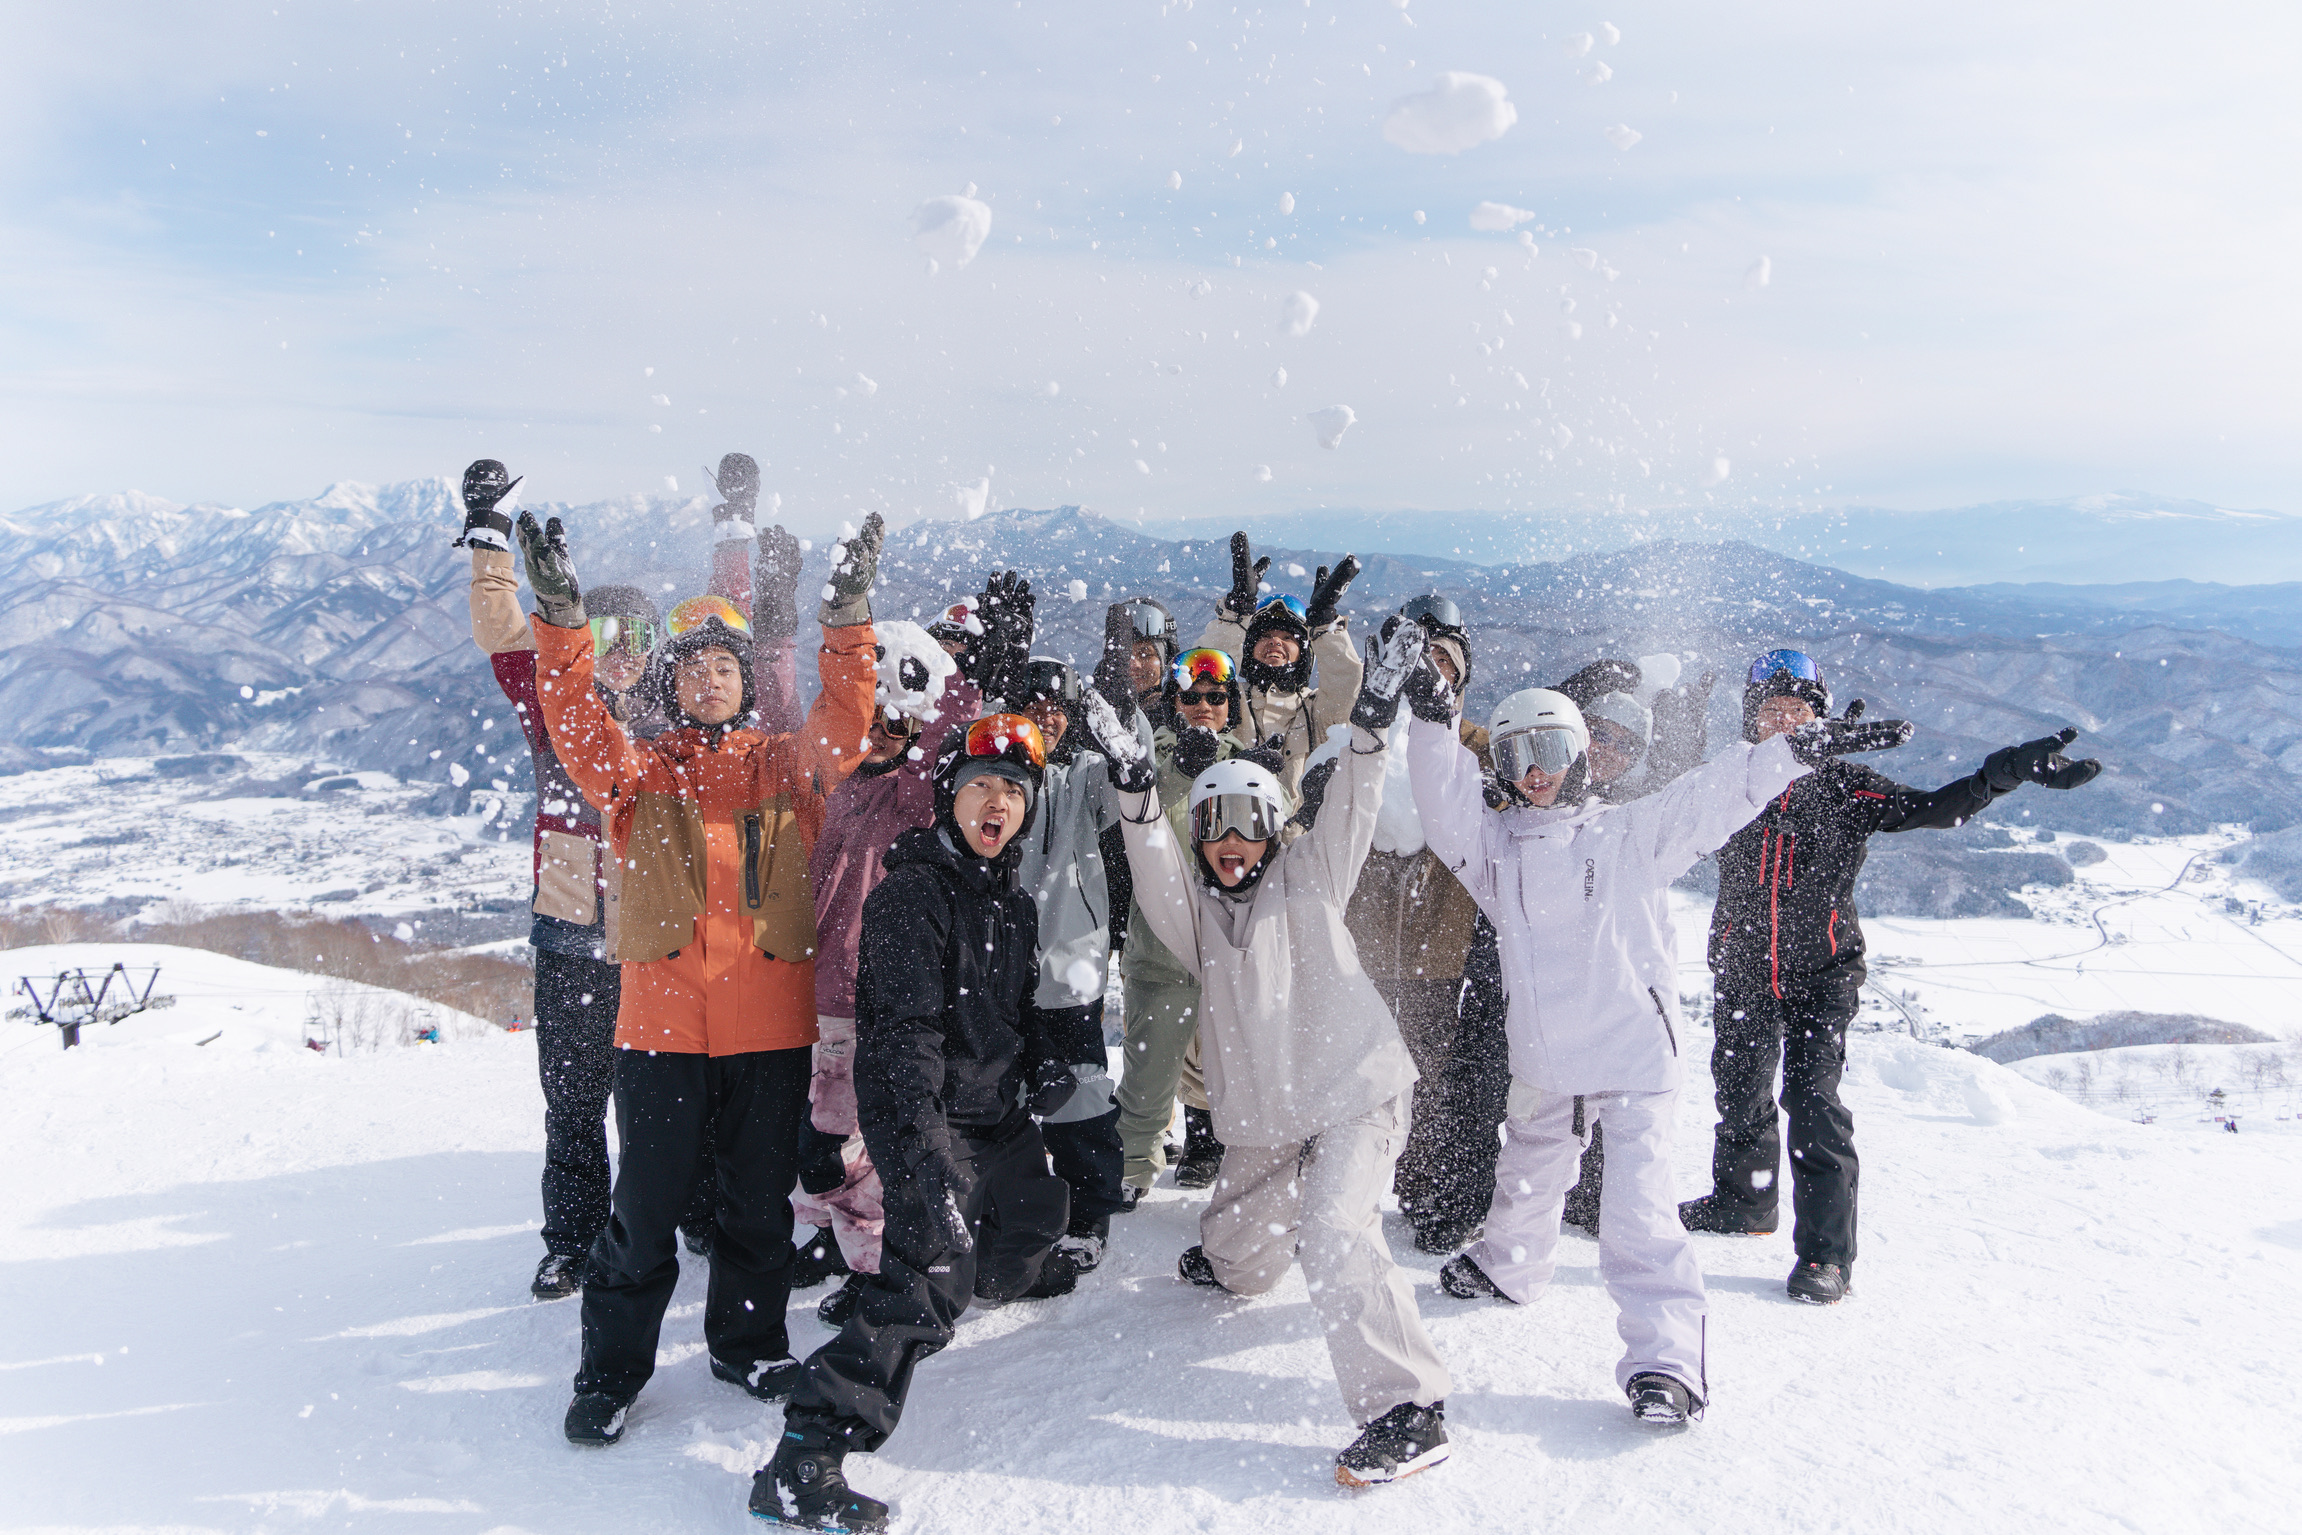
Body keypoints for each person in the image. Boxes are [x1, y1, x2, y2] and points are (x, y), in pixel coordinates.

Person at [1407, 651, 1915, 1426]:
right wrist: (1433, 719)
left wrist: (1790, 752)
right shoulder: (1496, 850)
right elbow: (1441, 802)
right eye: (1516, 756)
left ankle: (1666, 1363)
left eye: (1550, 751)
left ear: (1580, 755)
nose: (1534, 772)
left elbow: (1715, 795)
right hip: (1548, 1059)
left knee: (1637, 1217)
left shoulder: (1627, 833)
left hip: (1633, 1057)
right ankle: (1511, 1264)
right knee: (1532, 1163)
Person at [521, 507, 882, 1446]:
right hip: (661, 1033)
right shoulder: (636, 773)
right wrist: (559, 618)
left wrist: (847, 618)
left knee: (757, 1208)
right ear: (674, 683)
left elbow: (846, 722)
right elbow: (572, 716)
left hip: (769, 1029)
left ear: (742, 683)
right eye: (694, 666)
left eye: (727, 664)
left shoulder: (787, 767)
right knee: (642, 1216)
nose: (712, 678)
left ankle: (748, 1343)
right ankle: (610, 1371)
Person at [1084, 616, 1454, 1488]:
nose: (1231, 839)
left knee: (1332, 1231)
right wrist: (1138, 791)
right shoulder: (1199, 919)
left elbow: (1356, 804)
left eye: (1249, 819)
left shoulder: (1312, 874)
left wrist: (1368, 723)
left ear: (1275, 822)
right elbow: (1155, 868)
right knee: (1242, 1259)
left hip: (1354, 1091)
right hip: (1272, 1118)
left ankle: (1409, 1404)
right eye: (1214, 823)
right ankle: (1231, 1254)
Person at [1680, 649, 2102, 1304]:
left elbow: (1933, 808)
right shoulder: (1727, 782)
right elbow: (1658, 811)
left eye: (1799, 710)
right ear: (1750, 720)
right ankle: (1744, 1200)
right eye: (1771, 710)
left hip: (1823, 971)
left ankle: (1826, 1256)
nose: (1785, 722)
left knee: (1811, 1101)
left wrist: (2001, 775)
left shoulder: (1844, 785)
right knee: (1738, 1086)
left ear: (1819, 718)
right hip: (1741, 964)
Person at [753, 715, 1072, 1532]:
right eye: (979, 786)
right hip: (929, 1120)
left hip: (997, 1117)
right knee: (927, 1277)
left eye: (1013, 790)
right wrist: (926, 1169)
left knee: (1037, 1217)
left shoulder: (1012, 903)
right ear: (948, 798)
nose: (996, 802)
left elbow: (1014, 1010)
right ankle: (805, 1452)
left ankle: (994, 1273)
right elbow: (902, 1049)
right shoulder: (911, 898)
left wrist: (1044, 1062)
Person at [457, 458, 718, 1300]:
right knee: (573, 1102)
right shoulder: (550, 705)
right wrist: (490, 541)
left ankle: (692, 1216)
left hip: (657, 935)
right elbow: (502, 629)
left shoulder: (678, 717)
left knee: (671, 1100)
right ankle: (572, 1239)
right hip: (571, 926)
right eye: (606, 639)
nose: (623, 657)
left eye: (638, 640)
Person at [791, 618, 972, 1328]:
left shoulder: (913, 797)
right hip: (801, 993)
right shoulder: (820, 779)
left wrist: (949, 670)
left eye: (904, 720)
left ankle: (872, 1263)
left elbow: (940, 746)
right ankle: (834, 1237)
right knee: (815, 1134)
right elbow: (806, 709)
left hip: (866, 996)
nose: (889, 731)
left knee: (850, 1144)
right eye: (876, 715)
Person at [1311, 595, 1492, 1251]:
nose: (1431, 673)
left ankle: (1428, 1196)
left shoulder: (1474, 748)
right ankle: (1333, 1199)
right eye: (1421, 658)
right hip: (1358, 944)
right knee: (1347, 1078)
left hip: (1439, 946)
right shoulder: (1365, 736)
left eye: (1444, 661)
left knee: (1428, 1079)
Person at [1105, 643, 1270, 1199]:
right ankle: (1130, 1170)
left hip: (1233, 948)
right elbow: (1142, 815)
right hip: (1161, 951)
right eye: (1192, 696)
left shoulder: (1246, 761)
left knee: (1242, 1075)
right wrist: (1180, 769)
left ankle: (1245, 1173)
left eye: (1216, 697)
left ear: (1231, 704)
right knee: (1149, 1078)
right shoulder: (1154, 753)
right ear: (1175, 702)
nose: (1204, 705)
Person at [1010, 650, 1133, 1284]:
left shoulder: (1086, 772)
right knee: (1000, 1098)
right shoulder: (996, 774)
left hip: (1071, 968)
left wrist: (1119, 723)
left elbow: (1131, 785)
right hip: (1000, 972)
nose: (1047, 719)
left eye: (1058, 708)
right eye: (1034, 707)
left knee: (1081, 1095)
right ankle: (1013, 1215)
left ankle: (1090, 1214)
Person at [1196, 532, 1363, 797]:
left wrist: (1325, 625)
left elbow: (1347, 686)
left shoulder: (1316, 710)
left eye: (1287, 637)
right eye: (1265, 636)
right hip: (1233, 830)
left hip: (1299, 837)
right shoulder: (1231, 701)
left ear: (1305, 653)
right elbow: (1203, 674)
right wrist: (1235, 615)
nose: (1275, 642)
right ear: (1249, 649)